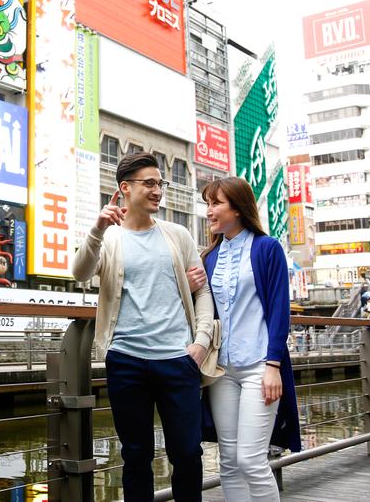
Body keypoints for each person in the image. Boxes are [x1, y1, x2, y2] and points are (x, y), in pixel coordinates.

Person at [73, 152, 219, 501]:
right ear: (125, 188)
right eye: (149, 183)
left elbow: (202, 292)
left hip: (178, 359)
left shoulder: (178, 235)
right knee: (135, 455)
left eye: (160, 183)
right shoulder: (109, 238)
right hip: (126, 360)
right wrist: (96, 229)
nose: (157, 190)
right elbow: (79, 273)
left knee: (187, 452)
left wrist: (200, 342)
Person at [190, 177, 301, 502]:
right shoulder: (208, 257)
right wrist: (188, 281)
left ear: (237, 208)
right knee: (228, 461)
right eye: (208, 204)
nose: (209, 211)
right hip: (222, 372)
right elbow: (201, 308)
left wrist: (273, 366)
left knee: (251, 460)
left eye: (216, 203)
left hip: (259, 368)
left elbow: (280, 311)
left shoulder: (267, 248)